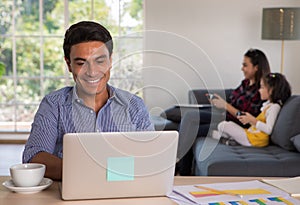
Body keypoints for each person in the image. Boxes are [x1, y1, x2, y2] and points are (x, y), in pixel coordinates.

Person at [22, 21, 154, 180]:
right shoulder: (54, 104)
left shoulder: (135, 106)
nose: (91, 72)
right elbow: (34, 157)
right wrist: (98, 171)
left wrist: (85, 169)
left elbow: (149, 159)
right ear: (69, 64)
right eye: (81, 63)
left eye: (100, 61)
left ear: (110, 61)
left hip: (124, 194)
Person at [177, 48, 271, 175]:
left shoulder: (261, 91)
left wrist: (225, 105)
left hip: (232, 123)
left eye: (245, 65)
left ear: (256, 67)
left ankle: (178, 166)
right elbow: (232, 100)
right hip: (223, 114)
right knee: (184, 116)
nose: (242, 68)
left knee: (189, 117)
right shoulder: (245, 83)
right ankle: (182, 171)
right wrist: (220, 102)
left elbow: (246, 120)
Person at [212, 72, 291, 146]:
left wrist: (252, 120)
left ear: (271, 90)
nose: (259, 90)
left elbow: (268, 129)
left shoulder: (274, 107)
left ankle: (232, 140)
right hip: (252, 134)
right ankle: (231, 141)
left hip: (255, 139)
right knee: (219, 130)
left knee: (223, 125)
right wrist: (248, 118)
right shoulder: (268, 105)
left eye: (262, 87)